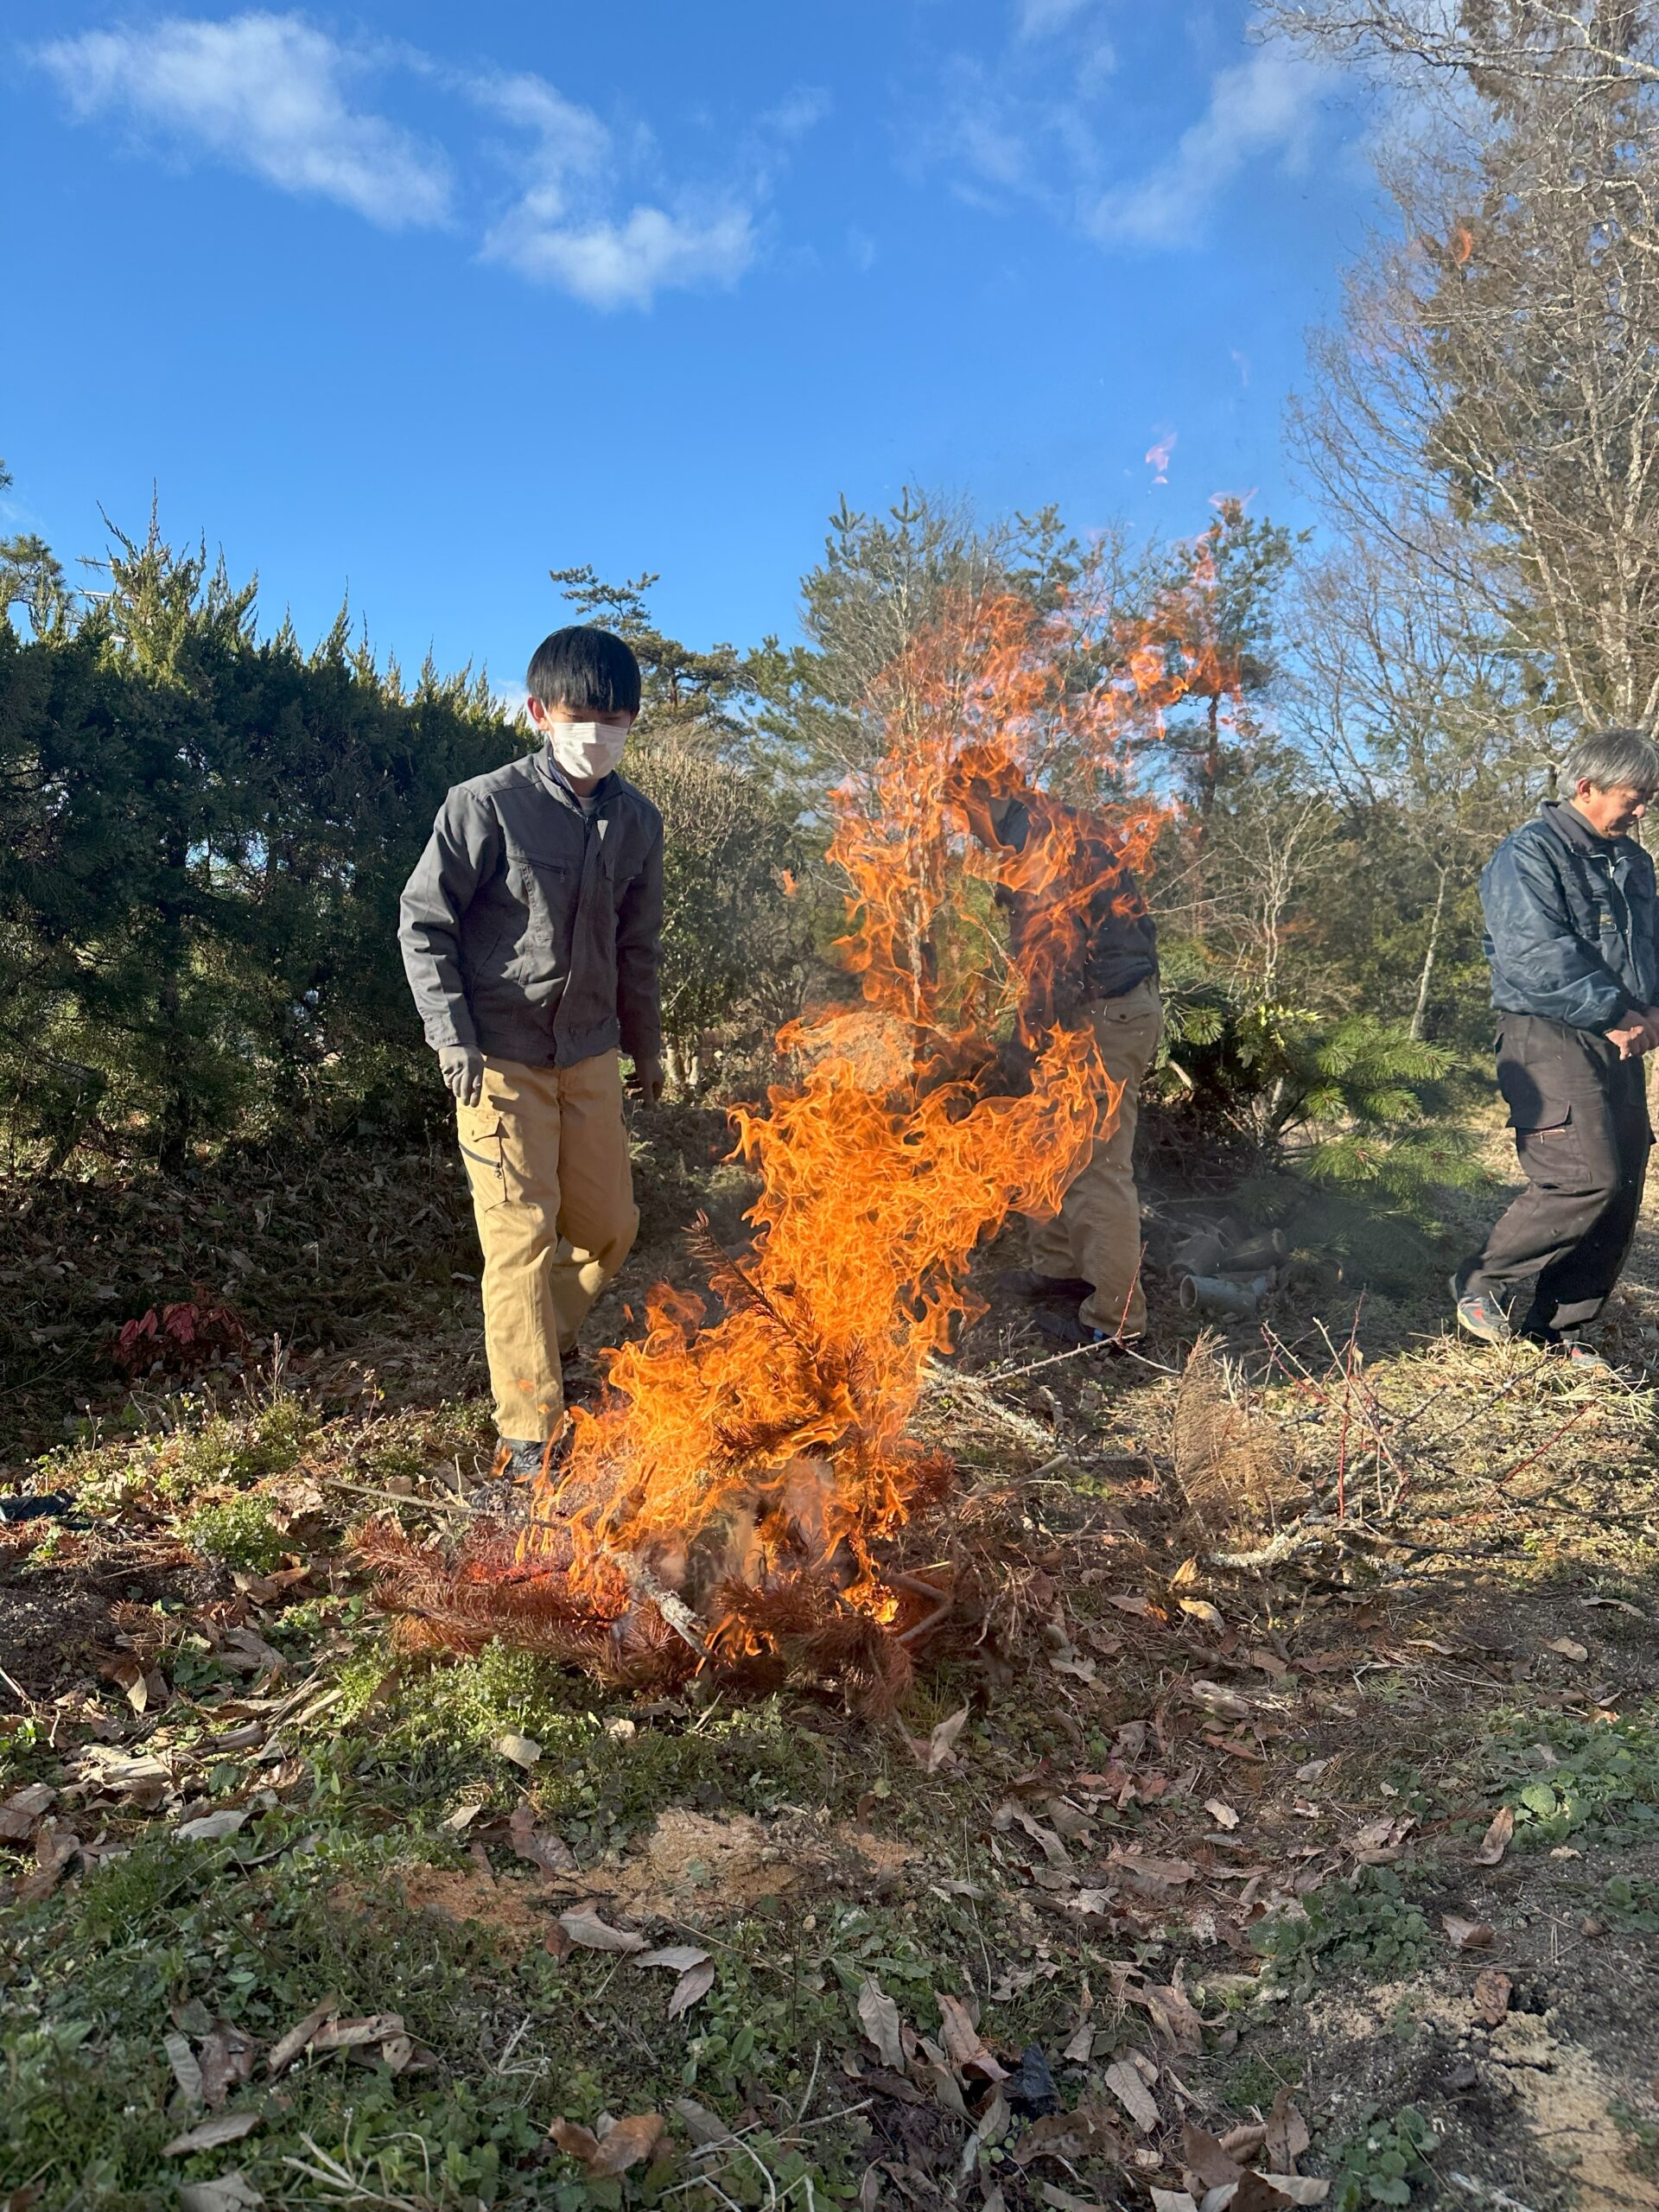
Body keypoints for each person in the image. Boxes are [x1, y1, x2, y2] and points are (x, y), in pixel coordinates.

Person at [398, 625, 664, 1479]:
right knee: (520, 1239)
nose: (601, 733)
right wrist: (453, 1040)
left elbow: (639, 947)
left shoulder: (638, 822)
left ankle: (538, 1343)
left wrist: (646, 1049)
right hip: (498, 1058)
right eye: (585, 715)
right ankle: (529, 1429)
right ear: (539, 712)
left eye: (619, 717)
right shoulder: (483, 804)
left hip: (587, 1057)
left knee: (608, 1229)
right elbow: (424, 924)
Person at [1453, 727, 1659, 1369]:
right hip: (1549, 1032)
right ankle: (1480, 1282)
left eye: (1651, 798)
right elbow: (1536, 955)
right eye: (1635, 797)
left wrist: (1650, 1009)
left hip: (1622, 1034)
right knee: (1583, 1176)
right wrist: (1613, 1012)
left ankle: (1556, 1333)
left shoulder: (1634, 860)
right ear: (1586, 787)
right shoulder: (1528, 855)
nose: (1643, 810)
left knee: (1623, 1182)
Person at [952, 760, 1161, 1351]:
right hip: (1085, 1014)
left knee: (1097, 1166)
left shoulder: (1044, 844)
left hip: (1106, 1015)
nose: (963, 826)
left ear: (990, 794)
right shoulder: (1047, 828)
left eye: (964, 810)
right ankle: (1060, 1272)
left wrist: (1021, 1046)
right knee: (1049, 1145)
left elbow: (1055, 962)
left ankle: (1116, 1325)